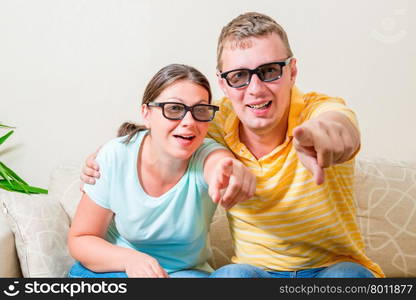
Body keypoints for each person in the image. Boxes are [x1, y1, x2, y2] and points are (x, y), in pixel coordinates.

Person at [81, 12, 384, 278]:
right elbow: (164, 131)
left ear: (291, 71)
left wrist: (326, 136)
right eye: (239, 76)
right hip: (255, 272)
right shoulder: (207, 123)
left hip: (334, 267)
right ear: (223, 83)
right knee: (230, 276)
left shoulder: (320, 110)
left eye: (269, 71)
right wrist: (108, 157)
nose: (255, 89)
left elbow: (340, 125)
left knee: (349, 275)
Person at [68, 63, 256, 278]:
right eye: (174, 109)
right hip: (116, 270)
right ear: (146, 113)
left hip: (182, 274)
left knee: (238, 275)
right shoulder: (116, 155)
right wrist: (131, 260)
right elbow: (81, 238)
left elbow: (219, 165)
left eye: (200, 111)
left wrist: (230, 172)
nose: (189, 122)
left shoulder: (208, 154)